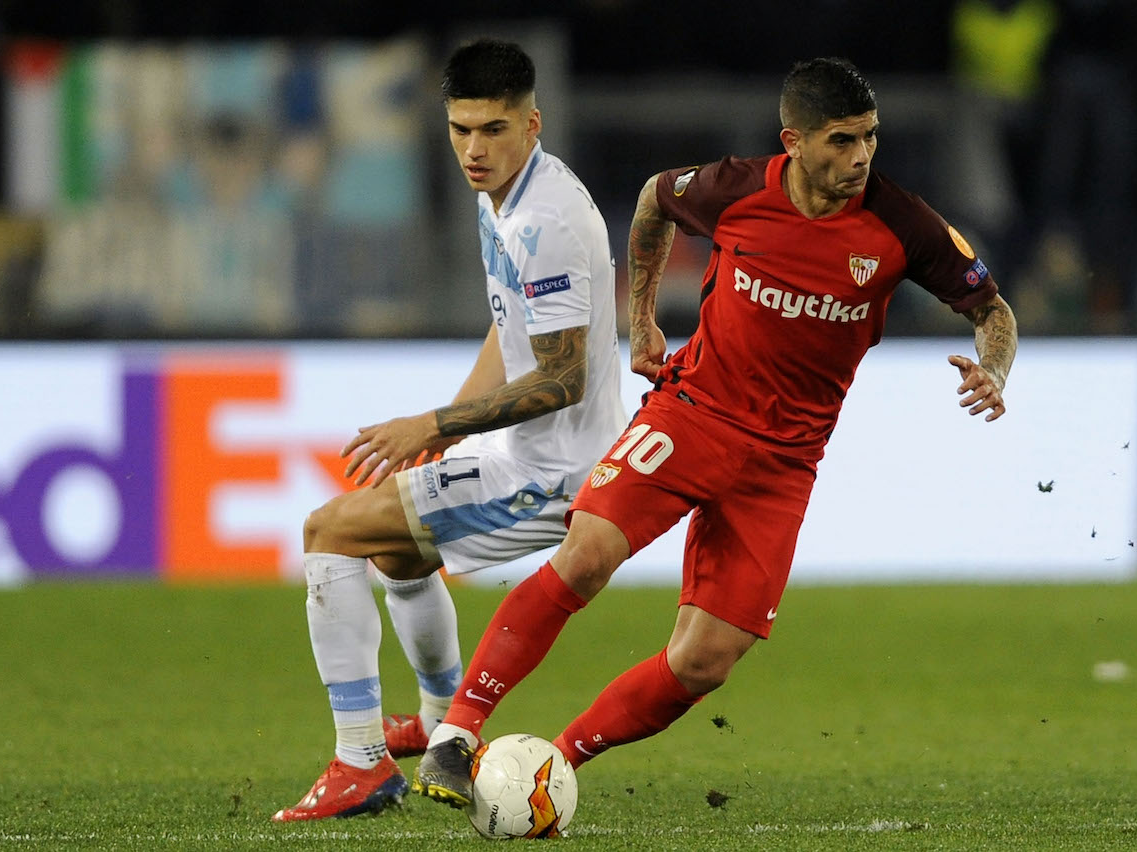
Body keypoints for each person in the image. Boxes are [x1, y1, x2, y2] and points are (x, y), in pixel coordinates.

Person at [413, 57, 1019, 806]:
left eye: (869, 138)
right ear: (792, 141)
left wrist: (994, 369)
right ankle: (458, 734)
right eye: (840, 141)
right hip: (692, 413)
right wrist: (640, 324)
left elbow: (992, 309)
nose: (860, 157)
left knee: (704, 661)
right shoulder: (733, 190)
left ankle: (554, 765)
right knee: (589, 553)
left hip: (783, 467)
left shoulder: (902, 225)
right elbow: (652, 200)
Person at [272, 39, 627, 821]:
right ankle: (437, 723)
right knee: (397, 549)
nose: (474, 148)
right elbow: (512, 330)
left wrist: (431, 422)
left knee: (329, 529)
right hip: (524, 451)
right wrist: (449, 432)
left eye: (494, 129)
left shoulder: (546, 220)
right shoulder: (499, 193)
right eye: (461, 129)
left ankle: (360, 762)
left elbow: (563, 377)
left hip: (557, 471)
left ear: (533, 124)